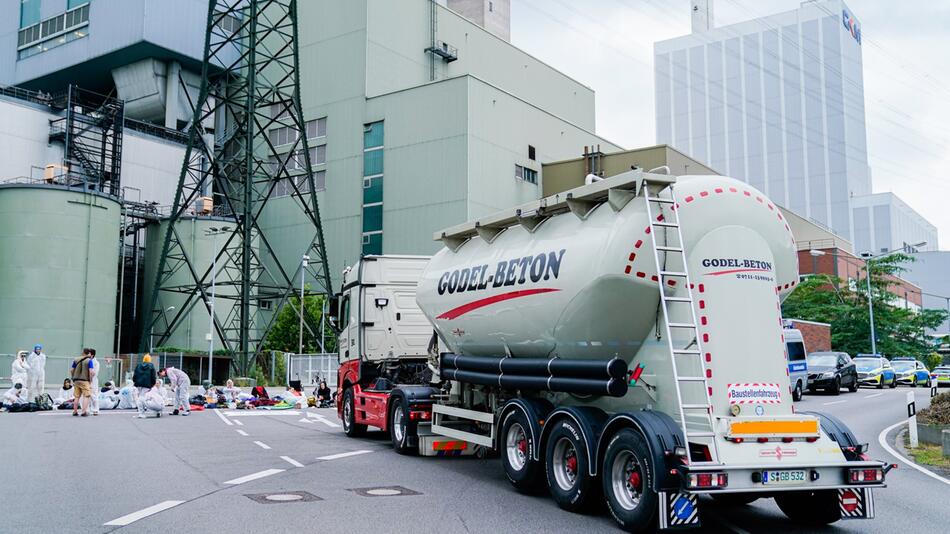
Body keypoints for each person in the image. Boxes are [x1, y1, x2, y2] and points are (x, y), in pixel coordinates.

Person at [70, 349, 96, 417]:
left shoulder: (76, 359)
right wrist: (90, 380)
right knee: (86, 396)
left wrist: (73, 377)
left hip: (76, 380)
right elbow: (91, 371)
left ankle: (75, 411)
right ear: (88, 354)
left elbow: (72, 370)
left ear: (83, 353)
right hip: (84, 380)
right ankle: (84, 412)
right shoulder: (89, 361)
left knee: (77, 396)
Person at [132, 354, 158, 418]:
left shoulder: (138, 365)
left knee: (140, 397)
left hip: (138, 384)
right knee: (143, 398)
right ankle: (145, 411)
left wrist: (135, 381)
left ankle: (141, 412)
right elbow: (153, 376)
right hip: (147, 384)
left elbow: (135, 374)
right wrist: (152, 384)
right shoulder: (151, 366)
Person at [89, 349, 101, 415]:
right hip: (89, 380)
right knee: (90, 394)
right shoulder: (89, 361)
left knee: (94, 394)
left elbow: (94, 373)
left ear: (92, 355)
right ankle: (92, 409)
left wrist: (90, 378)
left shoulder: (96, 362)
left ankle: (96, 409)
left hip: (93, 380)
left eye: (89, 353)